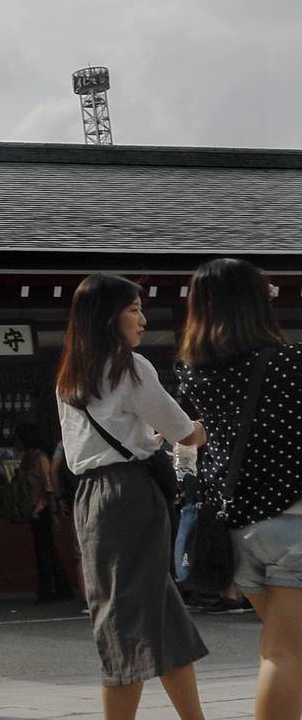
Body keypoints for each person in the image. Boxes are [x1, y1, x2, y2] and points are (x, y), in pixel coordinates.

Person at [55, 273, 209, 720]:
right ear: (109, 316)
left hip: (92, 495)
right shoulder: (132, 365)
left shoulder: (70, 373)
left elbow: (85, 445)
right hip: (129, 494)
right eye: (133, 309)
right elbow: (184, 430)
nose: (142, 319)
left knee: (156, 615)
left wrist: (146, 437)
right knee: (125, 617)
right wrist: (200, 430)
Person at [178, 258, 302, 720]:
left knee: (282, 649)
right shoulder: (292, 362)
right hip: (294, 523)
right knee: (285, 655)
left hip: (238, 529)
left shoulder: (194, 371)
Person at [15, 422, 77, 604]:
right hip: (37, 508)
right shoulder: (31, 457)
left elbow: (48, 485)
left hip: (41, 509)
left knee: (46, 551)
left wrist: (52, 508)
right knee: (46, 550)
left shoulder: (37, 458)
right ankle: (59, 587)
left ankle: (51, 589)